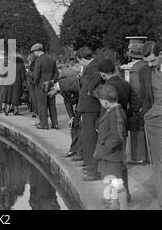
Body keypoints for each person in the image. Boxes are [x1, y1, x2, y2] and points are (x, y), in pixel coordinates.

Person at [93, 84, 127, 210]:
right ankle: (113, 203)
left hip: (112, 155)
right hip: (109, 156)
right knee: (111, 181)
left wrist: (105, 148)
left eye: (100, 100)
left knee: (116, 183)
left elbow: (117, 136)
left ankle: (118, 205)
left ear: (105, 101)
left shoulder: (116, 113)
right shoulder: (112, 111)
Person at [139, 41, 162, 209]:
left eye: (152, 61)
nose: (149, 64)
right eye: (146, 61)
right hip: (154, 120)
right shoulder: (143, 71)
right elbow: (144, 96)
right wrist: (146, 113)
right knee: (160, 161)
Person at [76, 46, 102, 181]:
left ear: (82, 59)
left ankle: (93, 170)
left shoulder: (93, 66)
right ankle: (91, 167)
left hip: (91, 107)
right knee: (88, 139)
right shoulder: (92, 66)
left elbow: (94, 80)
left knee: (90, 140)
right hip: (88, 107)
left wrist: (88, 88)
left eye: (79, 61)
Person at [48, 76, 82, 158]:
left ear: (52, 89)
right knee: (74, 125)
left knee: (77, 127)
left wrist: (80, 111)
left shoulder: (66, 84)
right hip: (80, 105)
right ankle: (74, 150)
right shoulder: (61, 88)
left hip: (83, 104)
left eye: (50, 94)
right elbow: (67, 101)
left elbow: (81, 91)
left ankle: (77, 151)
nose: (50, 96)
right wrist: (71, 117)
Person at [127, 44, 149, 164]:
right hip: (148, 102)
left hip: (139, 103)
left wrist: (136, 106)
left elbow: (136, 88)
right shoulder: (146, 66)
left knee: (137, 128)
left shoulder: (135, 69)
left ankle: (139, 156)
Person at [31, 43, 59, 130]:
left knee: (42, 105)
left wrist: (34, 83)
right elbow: (56, 73)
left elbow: (36, 75)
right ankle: (55, 124)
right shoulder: (51, 59)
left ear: (37, 51)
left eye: (34, 52)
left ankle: (44, 124)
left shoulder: (38, 60)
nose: (34, 54)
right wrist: (52, 81)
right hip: (50, 85)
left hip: (41, 86)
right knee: (52, 105)